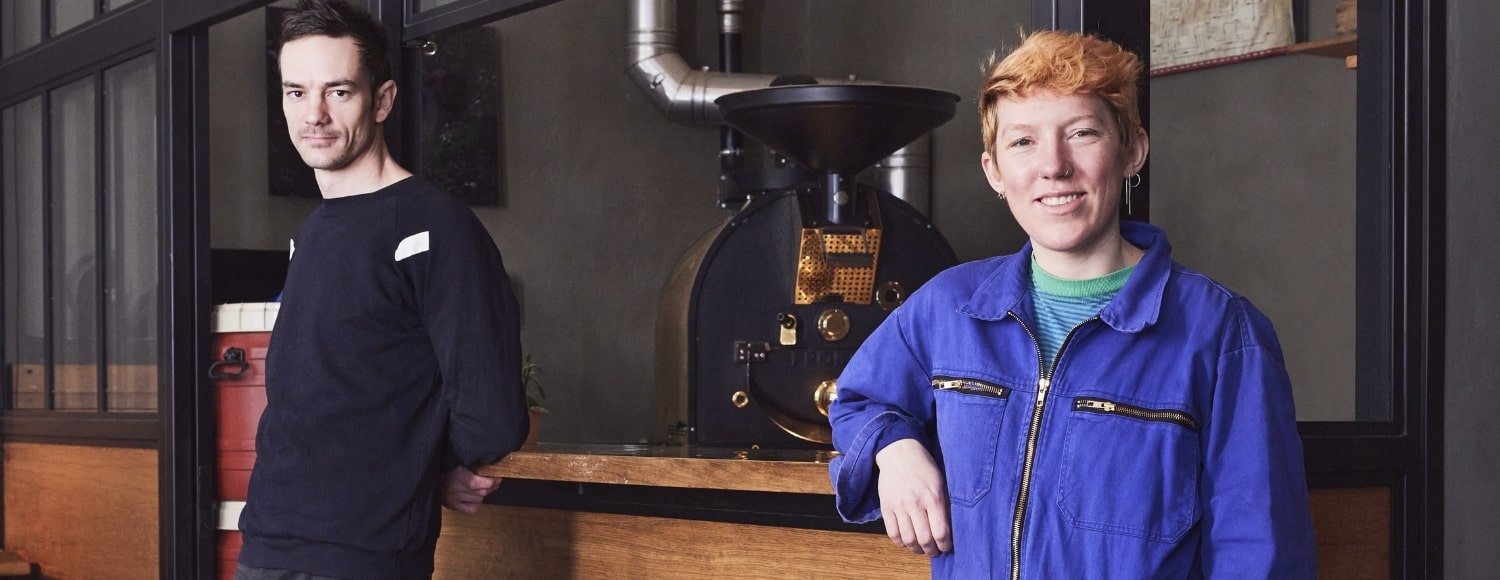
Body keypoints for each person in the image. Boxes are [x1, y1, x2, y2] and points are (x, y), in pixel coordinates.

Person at [827, 30, 1316, 578]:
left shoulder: (1223, 335)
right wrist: (894, 450)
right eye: (1023, 142)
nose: (1054, 166)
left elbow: (1260, 552)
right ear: (994, 171)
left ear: (1132, 151)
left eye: (1081, 133)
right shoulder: (947, 308)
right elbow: (857, 400)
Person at [236, 1, 528, 578]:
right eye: (296, 92)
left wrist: (439, 465)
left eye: (338, 91)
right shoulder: (309, 235)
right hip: (267, 544)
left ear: (384, 100)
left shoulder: (435, 227)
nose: (314, 114)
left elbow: (492, 410)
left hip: (365, 555)